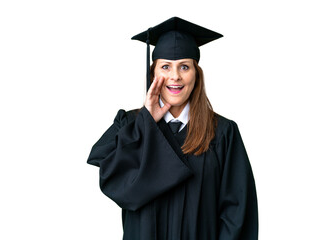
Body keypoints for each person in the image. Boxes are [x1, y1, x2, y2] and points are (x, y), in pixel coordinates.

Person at [87, 17, 258, 240]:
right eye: (165, 66)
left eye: (184, 67)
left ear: (196, 75)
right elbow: (113, 180)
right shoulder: (129, 124)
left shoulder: (223, 132)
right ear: (153, 74)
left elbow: (237, 213)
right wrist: (145, 122)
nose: (175, 76)